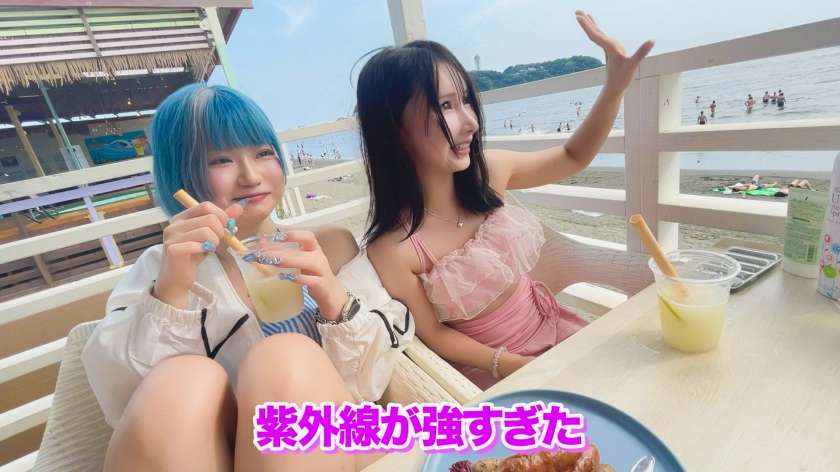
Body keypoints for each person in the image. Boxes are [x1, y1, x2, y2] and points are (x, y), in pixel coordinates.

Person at [81, 84, 413, 472]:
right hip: (215, 456)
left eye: (263, 153)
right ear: (180, 174)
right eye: (221, 159)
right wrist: (170, 292)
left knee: (285, 355)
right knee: (182, 378)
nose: (252, 176)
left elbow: (373, 383)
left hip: (335, 442)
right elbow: (123, 400)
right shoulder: (163, 268)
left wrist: (332, 297)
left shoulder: (328, 245)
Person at [355, 11, 654, 389]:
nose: (471, 122)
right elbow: (435, 334)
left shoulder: (488, 174)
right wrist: (511, 364)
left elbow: (573, 156)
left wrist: (614, 87)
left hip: (558, 330)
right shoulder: (394, 250)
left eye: (466, 100)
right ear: (393, 131)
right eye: (445, 106)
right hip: (496, 372)